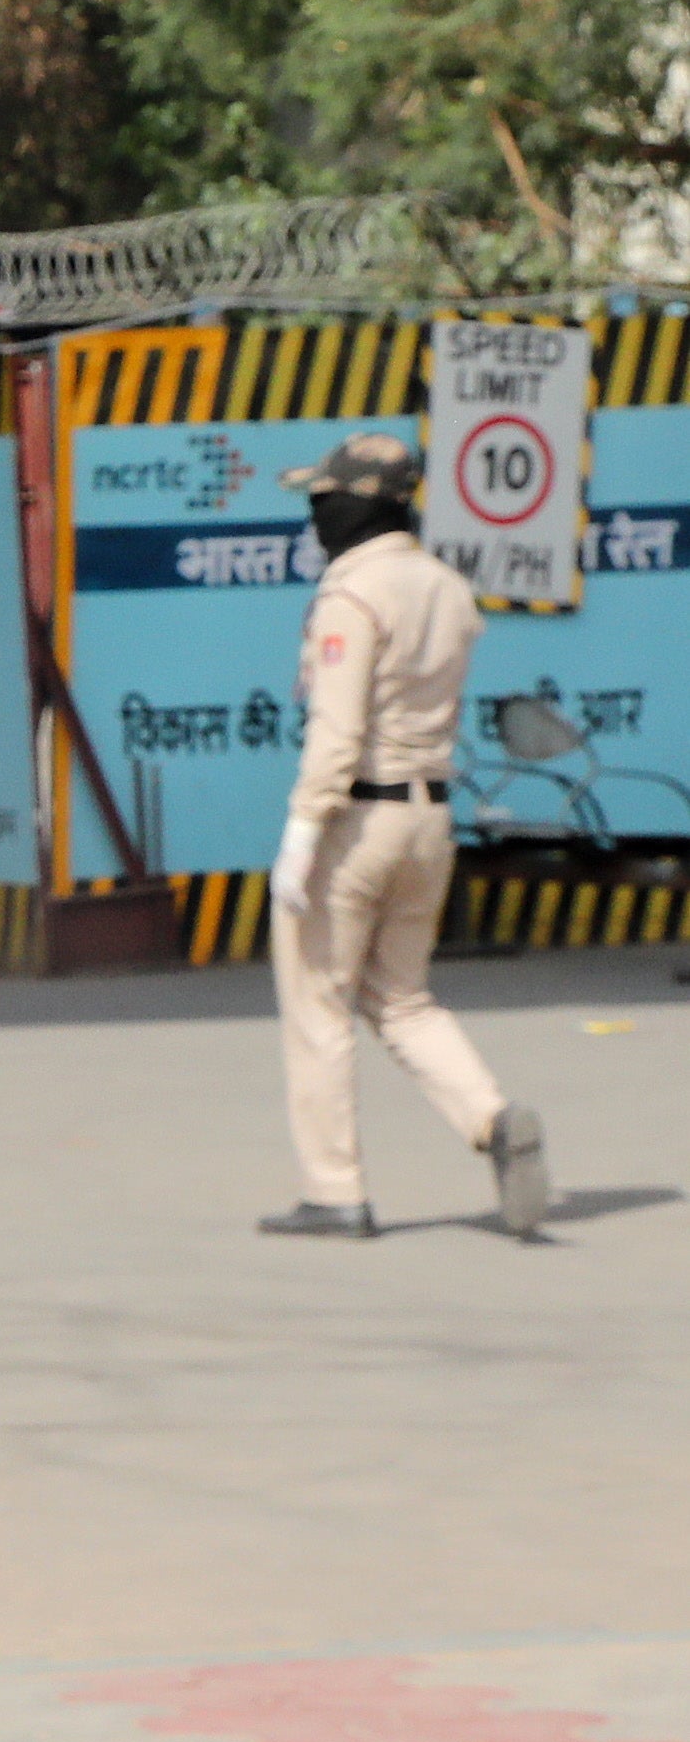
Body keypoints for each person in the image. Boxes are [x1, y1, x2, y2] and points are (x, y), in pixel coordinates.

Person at [259, 427, 550, 1239]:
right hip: (428, 819)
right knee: (401, 997)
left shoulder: (352, 595)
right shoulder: (445, 588)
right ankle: (492, 1120)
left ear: (351, 507)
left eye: (321, 501)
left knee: (318, 1000)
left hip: (357, 820)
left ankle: (332, 1190)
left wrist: (299, 832)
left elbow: (337, 730)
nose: (313, 517)